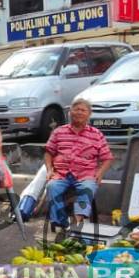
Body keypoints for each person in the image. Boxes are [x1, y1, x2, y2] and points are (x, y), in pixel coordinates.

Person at [44, 98, 114, 238]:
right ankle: (61, 224)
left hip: (85, 174)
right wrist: (49, 169)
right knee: (52, 187)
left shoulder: (96, 134)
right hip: (62, 173)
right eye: (76, 109)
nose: (79, 113)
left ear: (89, 114)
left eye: (83, 110)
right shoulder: (59, 132)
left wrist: (99, 174)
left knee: (87, 188)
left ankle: (78, 224)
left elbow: (107, 158)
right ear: (70, 112)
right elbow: (48, 152)